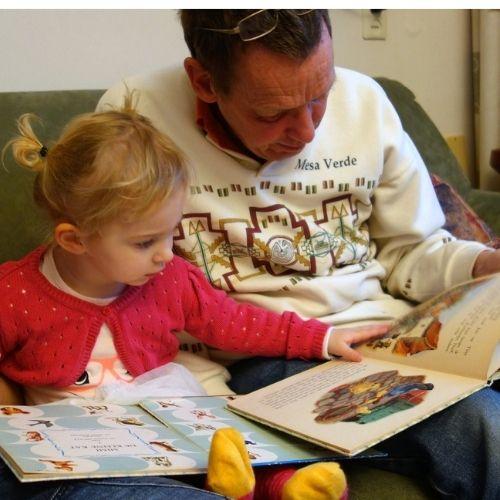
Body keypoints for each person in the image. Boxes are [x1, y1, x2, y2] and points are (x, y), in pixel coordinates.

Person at [98, 9, 500, 499]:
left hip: (388, 332)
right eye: (272, 114)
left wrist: (483, 265)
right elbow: (111, 274)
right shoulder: (137, 114)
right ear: (204, 81)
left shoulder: (367, 101)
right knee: (482, 423)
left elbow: (412, 252)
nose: (307, 131)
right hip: (263, 353)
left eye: (320, 96)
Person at [0, 98, 383, 498]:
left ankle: (279, 482)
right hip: (82, 449)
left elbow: (233, 322)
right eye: (146, 241)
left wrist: (320, 338)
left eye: (171, 232)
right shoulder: (14, 293)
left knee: (227, 432)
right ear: (74, 240)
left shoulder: (170, 277)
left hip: (167, 416)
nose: (166, 253)